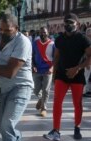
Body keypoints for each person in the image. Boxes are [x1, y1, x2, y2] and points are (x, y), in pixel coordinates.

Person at [43, 13, 91, 141]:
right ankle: (56, 130)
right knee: (57, 102)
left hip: (77, 76)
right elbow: (57, 56)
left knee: (77, 104)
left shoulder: (83, 39)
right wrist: (53, 72)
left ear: (77, 24)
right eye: (66, 23)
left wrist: (77, 68)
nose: (68, 25)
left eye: (71, 23)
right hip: (62, 75)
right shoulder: (59, 39)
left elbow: (90, 56)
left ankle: (77, 127)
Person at [0, 13, 34, 141]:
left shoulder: (22, 42)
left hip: (20, 87)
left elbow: (10, 72)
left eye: (7, 30)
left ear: (16, 28)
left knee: (7, 125)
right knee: (1, 127)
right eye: (0, 29)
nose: (2, 32)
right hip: (1, 88)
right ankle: (17, 137)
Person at [32, 27, 55, 117]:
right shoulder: (35, 43)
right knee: (36, 90)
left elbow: (56, 57)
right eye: (41, 32)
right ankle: (41, 99)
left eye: (44, 32)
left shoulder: (52, 44)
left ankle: (43, 108)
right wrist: (33, 66)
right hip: (37, 70)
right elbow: (32, 55)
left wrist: (52, 68)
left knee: (46, 90)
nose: (42, 34)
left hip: (48, 70)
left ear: (48, 33)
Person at [83, 27, 91, 97]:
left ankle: (88, 90)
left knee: (88, 77)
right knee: (86, 77)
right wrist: (87, 63)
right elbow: (85, 54)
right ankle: (84, 91)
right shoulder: (86, 42)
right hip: (88, 62)